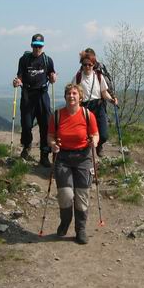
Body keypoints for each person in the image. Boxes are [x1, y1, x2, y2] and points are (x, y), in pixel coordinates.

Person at [48, 83, 99, 245]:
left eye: (75, 93)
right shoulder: (57, 115)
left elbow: (95, 134)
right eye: (69, 93)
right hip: (63, 158)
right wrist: (53, 144)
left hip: (83, 157)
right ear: (65, 96)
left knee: (82, 196)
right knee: (66, 195)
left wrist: (94, 142)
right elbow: (50, 136)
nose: (71, 96)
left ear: (80, 97)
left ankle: (81, 229)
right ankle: (65, 221)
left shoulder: (87, 115)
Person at [13, 33, 57, 168]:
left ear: (43, 46)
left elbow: (52, 75)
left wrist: (53, 78)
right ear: (31, 45)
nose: (37, 48)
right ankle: (27, 146)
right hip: (27, 94)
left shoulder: (47, 60)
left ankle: (44, 155)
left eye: (40, 46)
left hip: (42, 95)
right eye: (35, 46)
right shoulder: (24, 59)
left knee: (45, 126)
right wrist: (17, 81)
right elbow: (20, 75)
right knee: (26, 125)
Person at [73, 50, 117, 157]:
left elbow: (104, 92)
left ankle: (98, 146)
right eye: (85, 64)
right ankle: (88, 155)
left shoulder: (98, 76)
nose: (87, 67)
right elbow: (73, 92)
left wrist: (112, 100)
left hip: (98, 106)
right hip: (84, 108)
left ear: (93, 64)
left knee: (104, 135)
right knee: (86, 135)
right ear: (81, 64)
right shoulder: (78, 77)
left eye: (90, 64)